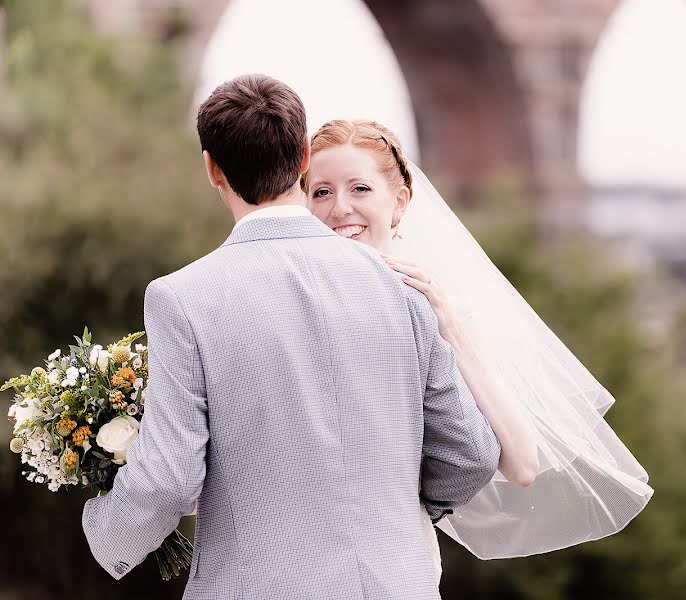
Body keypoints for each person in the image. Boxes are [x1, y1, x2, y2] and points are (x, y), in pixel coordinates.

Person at [81, 74, 500, 600]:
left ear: (212, 168)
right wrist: (393, 513)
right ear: (305, 158)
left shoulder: (182, 299)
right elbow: (471, 456)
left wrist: (106, 533)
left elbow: (168, 478)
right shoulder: (398, 286)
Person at [302, 119, 654, 575]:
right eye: (322, 192)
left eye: (360, 189)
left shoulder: (439, 309)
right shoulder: (300, 299)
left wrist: (450, 328)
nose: (340, 208)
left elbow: (522, 464)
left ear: (399, 202)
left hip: (392, 561)